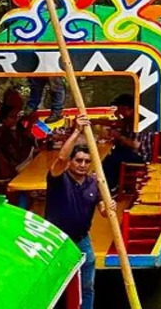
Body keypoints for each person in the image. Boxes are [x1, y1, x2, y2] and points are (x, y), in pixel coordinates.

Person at [47, 115, 114, 309]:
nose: (83, 165)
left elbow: (103, 210)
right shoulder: (59, 178)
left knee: (87, 286)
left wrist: (109, 207)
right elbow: (61, 158)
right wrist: (76, 131)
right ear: (71, 162)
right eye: (78, 160)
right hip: (58, 239)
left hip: (82, 238)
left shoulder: (94, 182)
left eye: (86, 161)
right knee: (55, 286)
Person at [100, 94, 155, 192]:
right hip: (131, 152)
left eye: (119, 108)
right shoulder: (128, 119)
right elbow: (118, 124)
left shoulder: (139, 122)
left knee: (109, 161)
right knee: (113, 153)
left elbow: (136, 145)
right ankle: (115, 182)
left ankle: (112, 187)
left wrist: (118, 136)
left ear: (126, 108)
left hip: (141, 156)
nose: (118, 111)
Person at [0, 106, 36, 177]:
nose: (15, 119)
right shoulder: (0, 133)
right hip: (15, 167)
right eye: (12, 117)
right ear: (4, 119)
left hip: (25, 162)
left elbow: (30, 141)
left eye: (16, 116)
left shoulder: (18, 128)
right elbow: (16, 155)